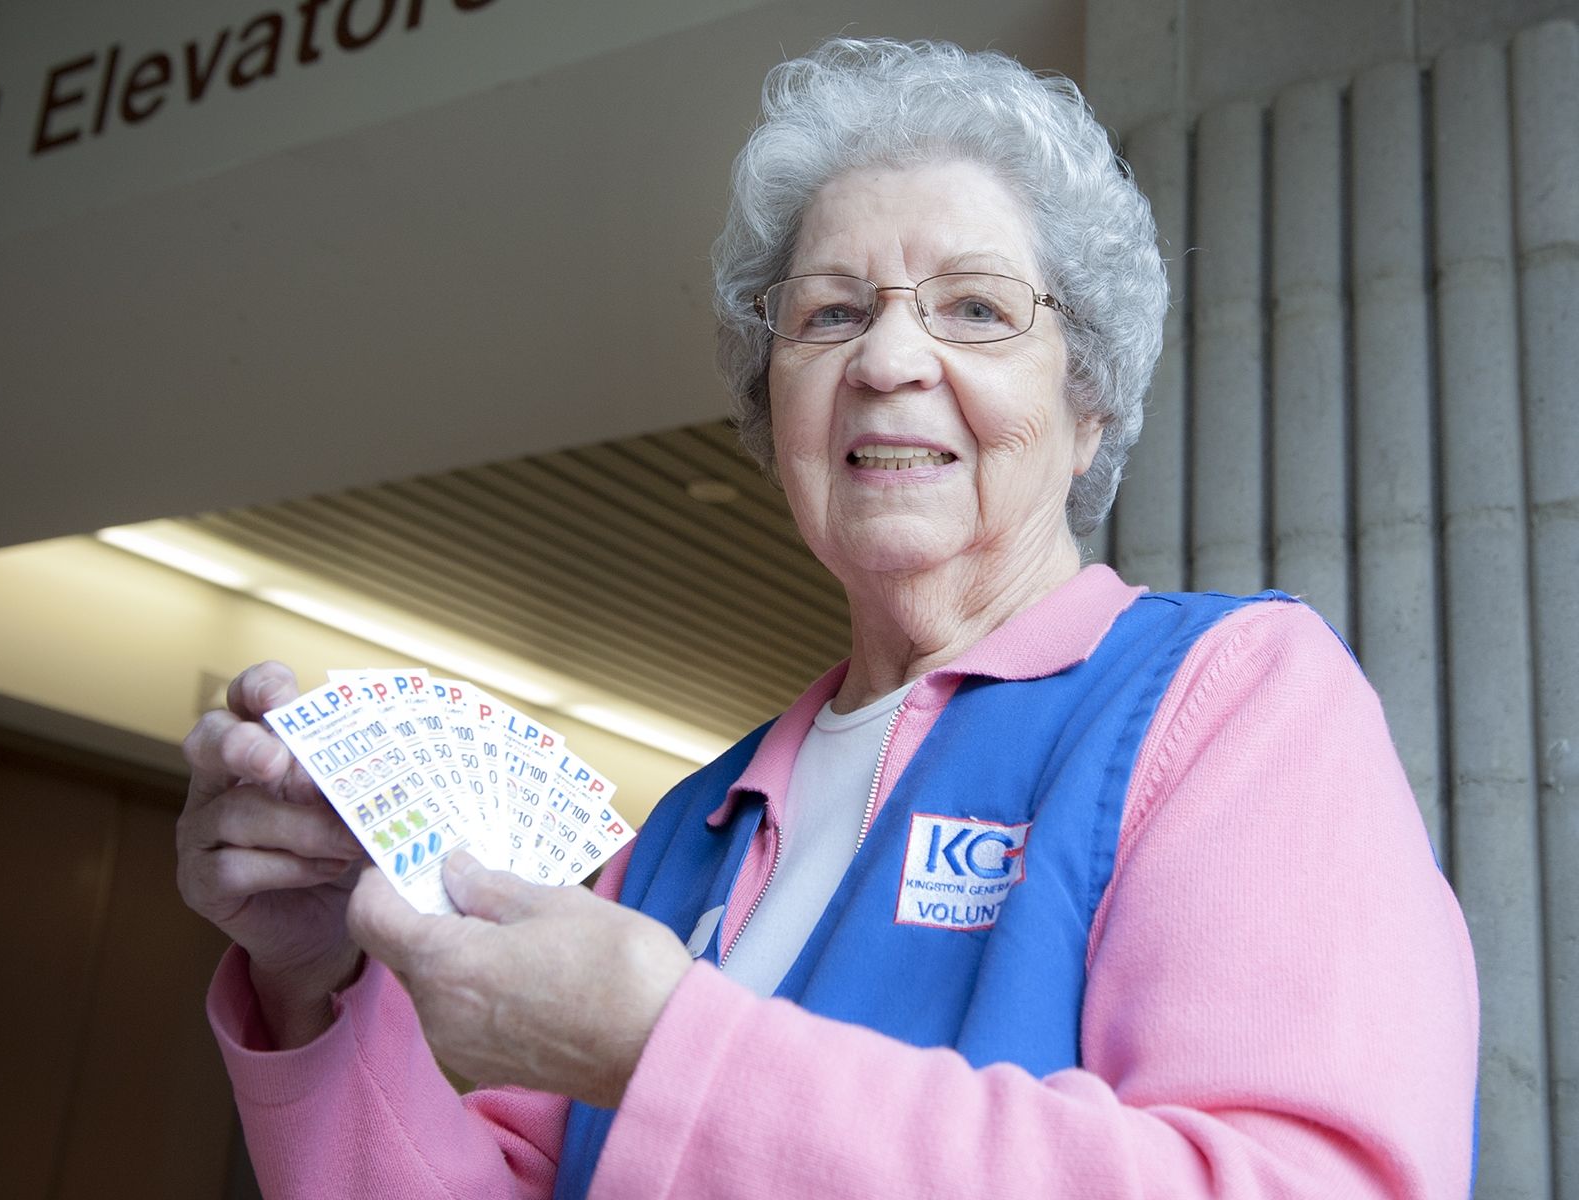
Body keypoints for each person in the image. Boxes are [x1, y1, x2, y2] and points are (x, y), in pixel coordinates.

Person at [177, 38, 1478, 1198]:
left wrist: (663, 1047)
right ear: (775, 417)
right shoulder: (681, 833)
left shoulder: (1230, 701)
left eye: (975, 308)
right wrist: (313, 987)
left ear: (1087, 406)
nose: (890, 360)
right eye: (831, 315)